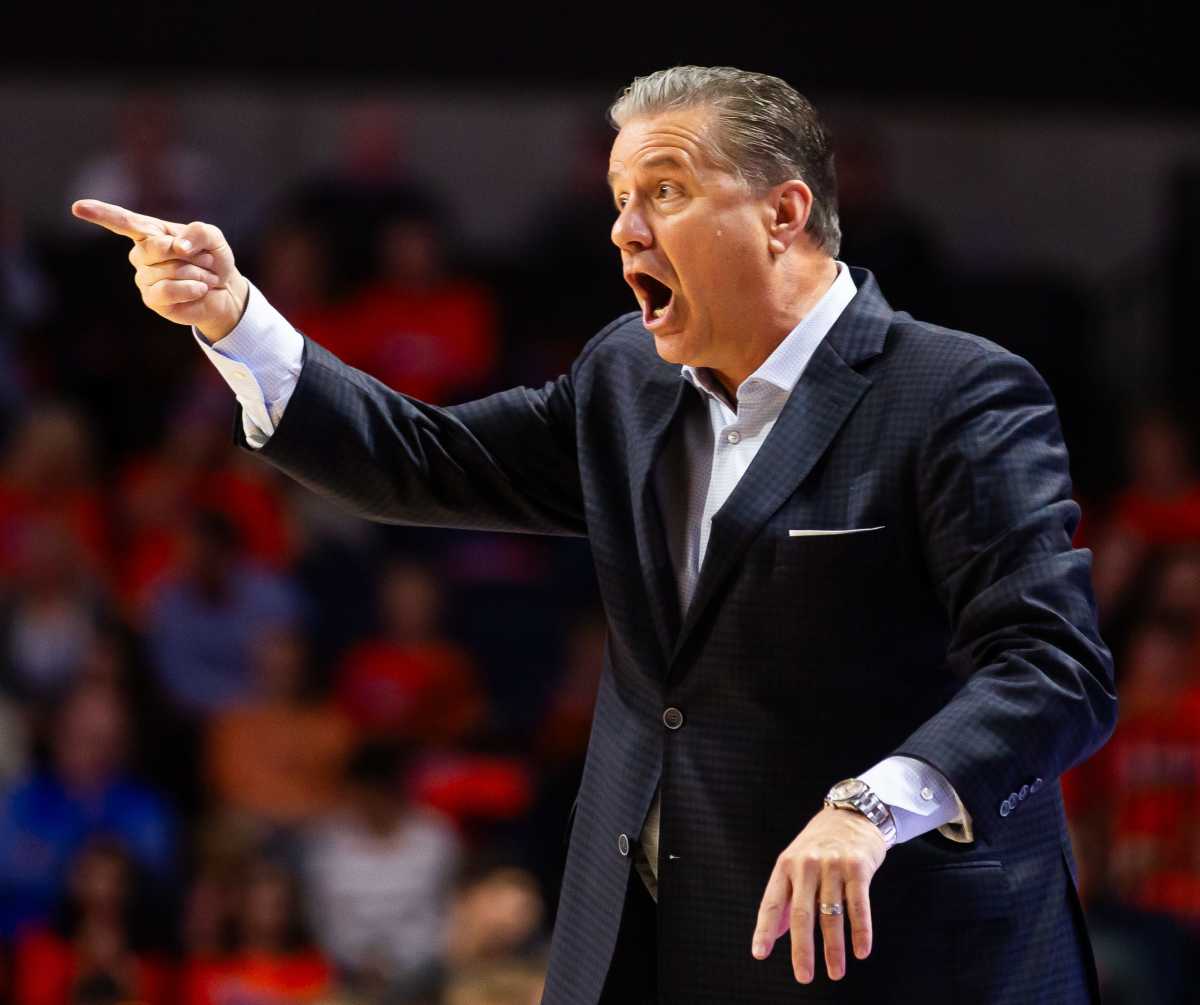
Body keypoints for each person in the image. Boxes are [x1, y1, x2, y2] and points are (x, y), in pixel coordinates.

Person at [71, 65, 1116, 1003]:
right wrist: (234, 316)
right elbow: (421, 458)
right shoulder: (628, 375)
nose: (624, 229)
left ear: (783, 214)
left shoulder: (955, 394)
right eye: (620, 200)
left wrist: (872, 807)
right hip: (638, 939)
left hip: (886, 953)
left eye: (664, 192)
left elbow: (1055, 666)